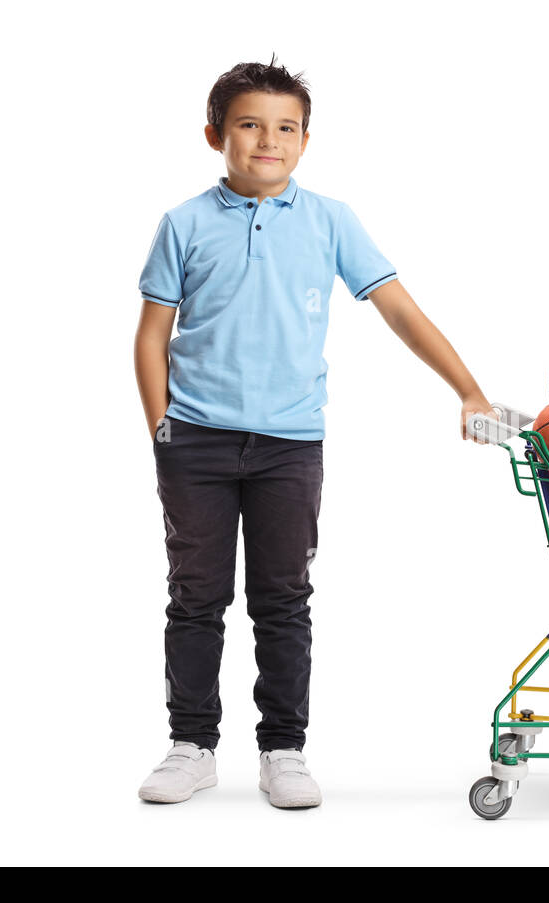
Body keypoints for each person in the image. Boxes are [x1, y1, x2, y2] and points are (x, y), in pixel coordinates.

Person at [133, 57, 495, 809]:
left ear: (305, 141)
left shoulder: (332, 220)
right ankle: (191, 743)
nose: (269, 139)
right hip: (195, 442)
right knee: (195, 598)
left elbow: (398, 309)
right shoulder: (184, 223)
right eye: (250, 125)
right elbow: (151, 333)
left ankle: (283, 750)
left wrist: (467, 389)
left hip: (290, 445)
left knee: (283, 598)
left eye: (286, 128)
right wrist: (162, 426)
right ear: (214, 135)